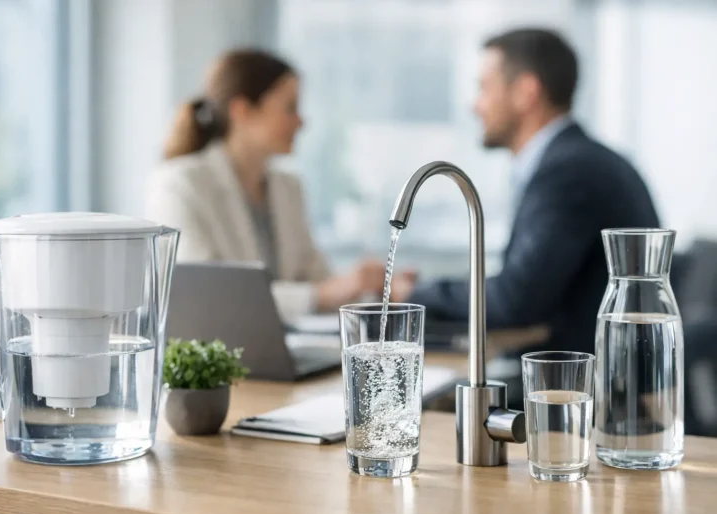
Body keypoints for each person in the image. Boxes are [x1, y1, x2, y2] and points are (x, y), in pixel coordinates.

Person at [392, 28, 660, 354]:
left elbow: (517, 299)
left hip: (584, 391)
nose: (475, 106)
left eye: (484, 88)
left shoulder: (568, 172)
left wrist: (414, 294)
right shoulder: (579, 159)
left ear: (525, 92)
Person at [146, 49, 400, 321]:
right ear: (242, 110)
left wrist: (373, 288)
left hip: (291, 347)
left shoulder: (288, 187)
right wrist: (319, 295)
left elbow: (318, 277)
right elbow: (211, 295)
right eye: (290, 108)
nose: (301, 121)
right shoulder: (179, 184)